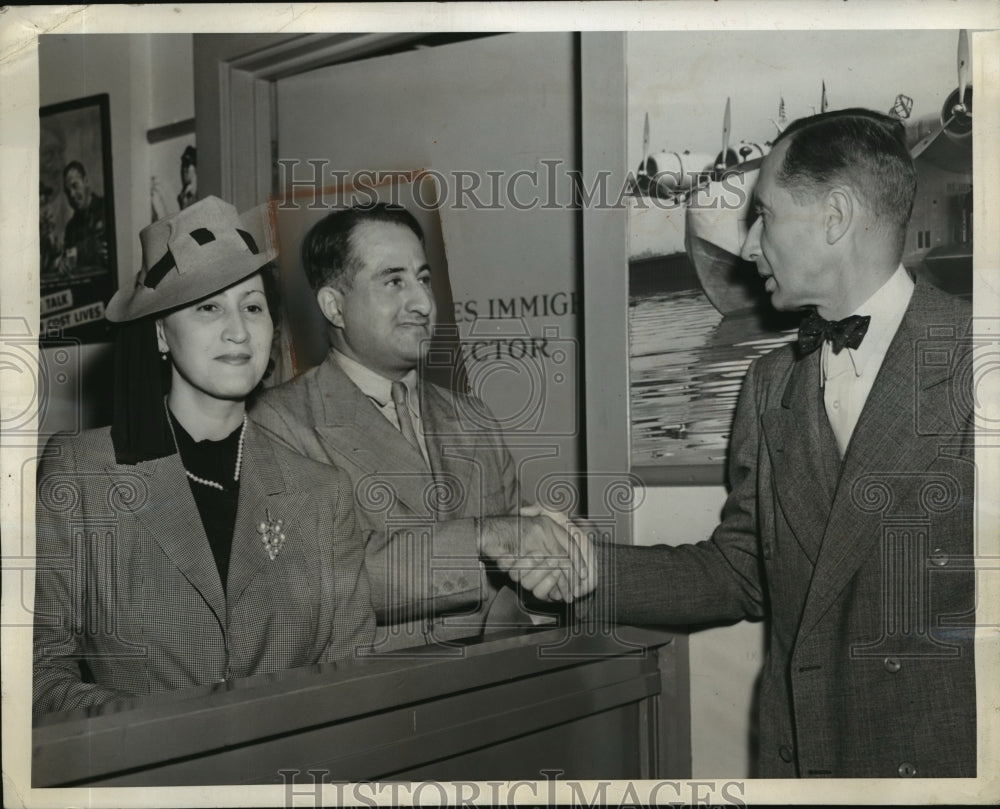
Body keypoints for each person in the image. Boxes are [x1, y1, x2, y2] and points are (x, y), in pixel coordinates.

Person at [593, 109, 976, 778]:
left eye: (765, 215)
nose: (747, 246)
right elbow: (738, 573)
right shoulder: (769, 385)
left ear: (834, 217)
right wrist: (584, 572)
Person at [33, 196, 376, 718]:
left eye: (253, 307)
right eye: (209, 306)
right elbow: (36, 673)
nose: (238, 330)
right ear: (159, 334)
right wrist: (148, 732)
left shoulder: (322, 494)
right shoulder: (84, 475)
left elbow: (352, 684)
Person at [252, 203, 588, 652]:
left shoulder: (474, 417)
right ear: (334, 306)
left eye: (424, 279)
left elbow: (522, 555)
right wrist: (486, 538)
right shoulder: (278, 422)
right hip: (382, 698)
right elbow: (324, 581)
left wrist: (562, 560)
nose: (424, 303)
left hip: (503, 683)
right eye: (394, 281)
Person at [61, 160, 108, 274]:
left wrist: (78, 253)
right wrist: (63, 264)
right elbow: (68, 256)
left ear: (86, 181)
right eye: (68, 191)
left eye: (75, 186)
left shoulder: (107, 208)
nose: (72, 194)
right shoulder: (71, 228)